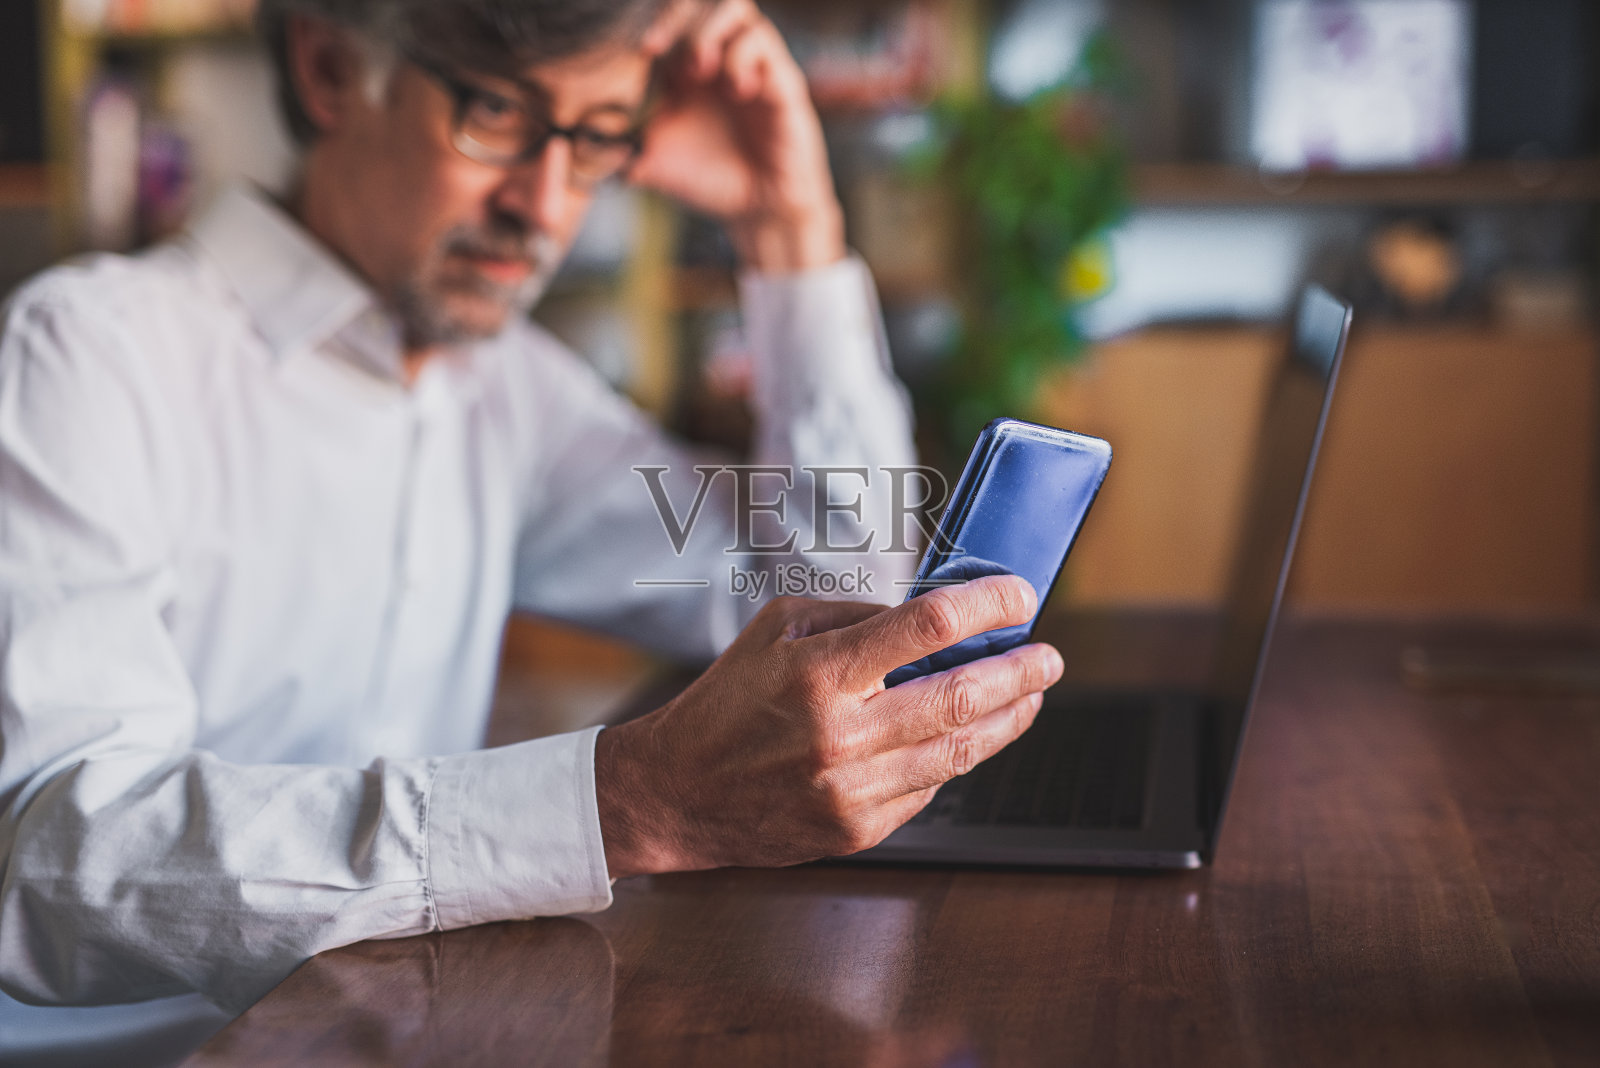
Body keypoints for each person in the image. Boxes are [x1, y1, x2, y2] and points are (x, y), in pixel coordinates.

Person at [0, 0, 1063, 1057]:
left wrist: (789, 229)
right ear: (328, 70)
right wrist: (621, 803)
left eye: (597, 136)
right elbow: (50, 862)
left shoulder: (507, 391)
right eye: (497, 114)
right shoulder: (86, 351)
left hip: (396, 1031)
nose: (547, 205)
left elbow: (843, 605)